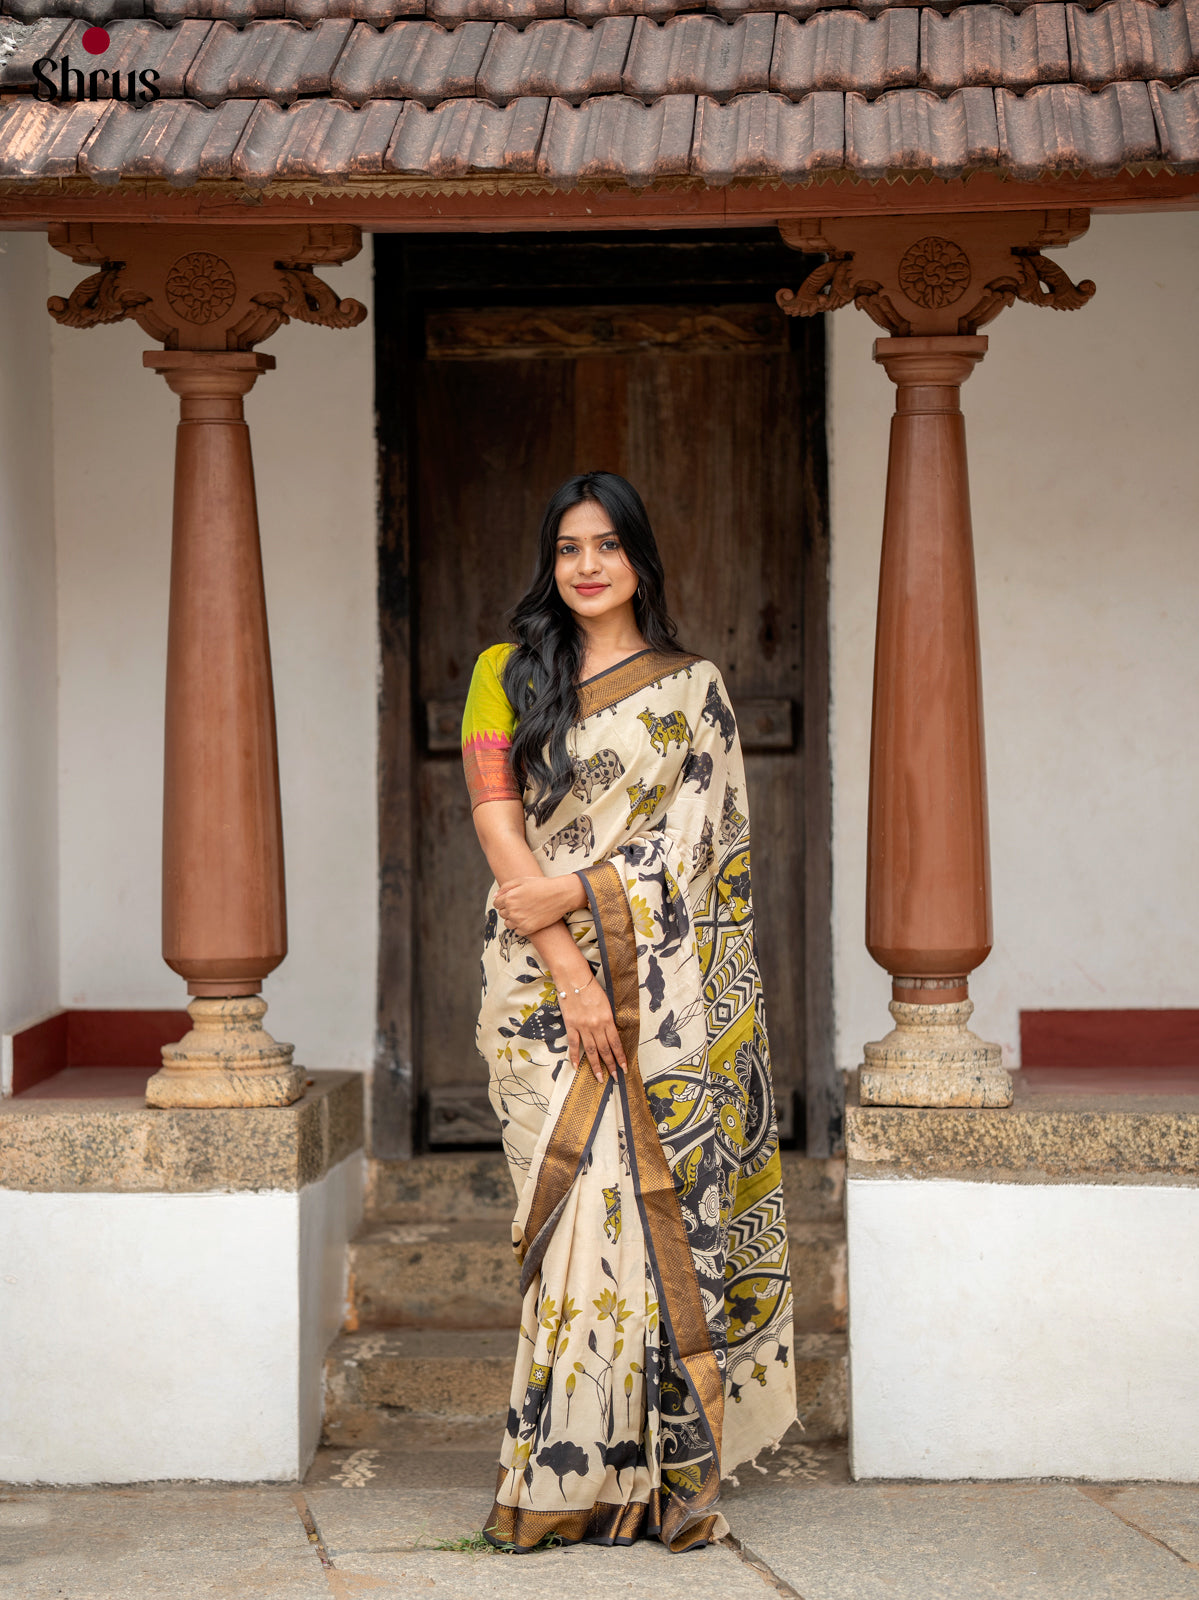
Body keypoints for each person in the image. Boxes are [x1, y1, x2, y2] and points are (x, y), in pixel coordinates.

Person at [462, 471, 795, 1553]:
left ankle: (647, 1479)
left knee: (643, 1227)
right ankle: (557, 1474)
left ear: (641, 560)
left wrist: (585, 889)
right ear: (549, 563)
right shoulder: (501, 675)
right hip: (536, 992)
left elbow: (699, 850)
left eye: (607, 545)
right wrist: (567, 959)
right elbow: (500, 831)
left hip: (657, 995)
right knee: (572, 1224)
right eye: (567, 547)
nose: (586, 564)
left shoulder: (692, 690)